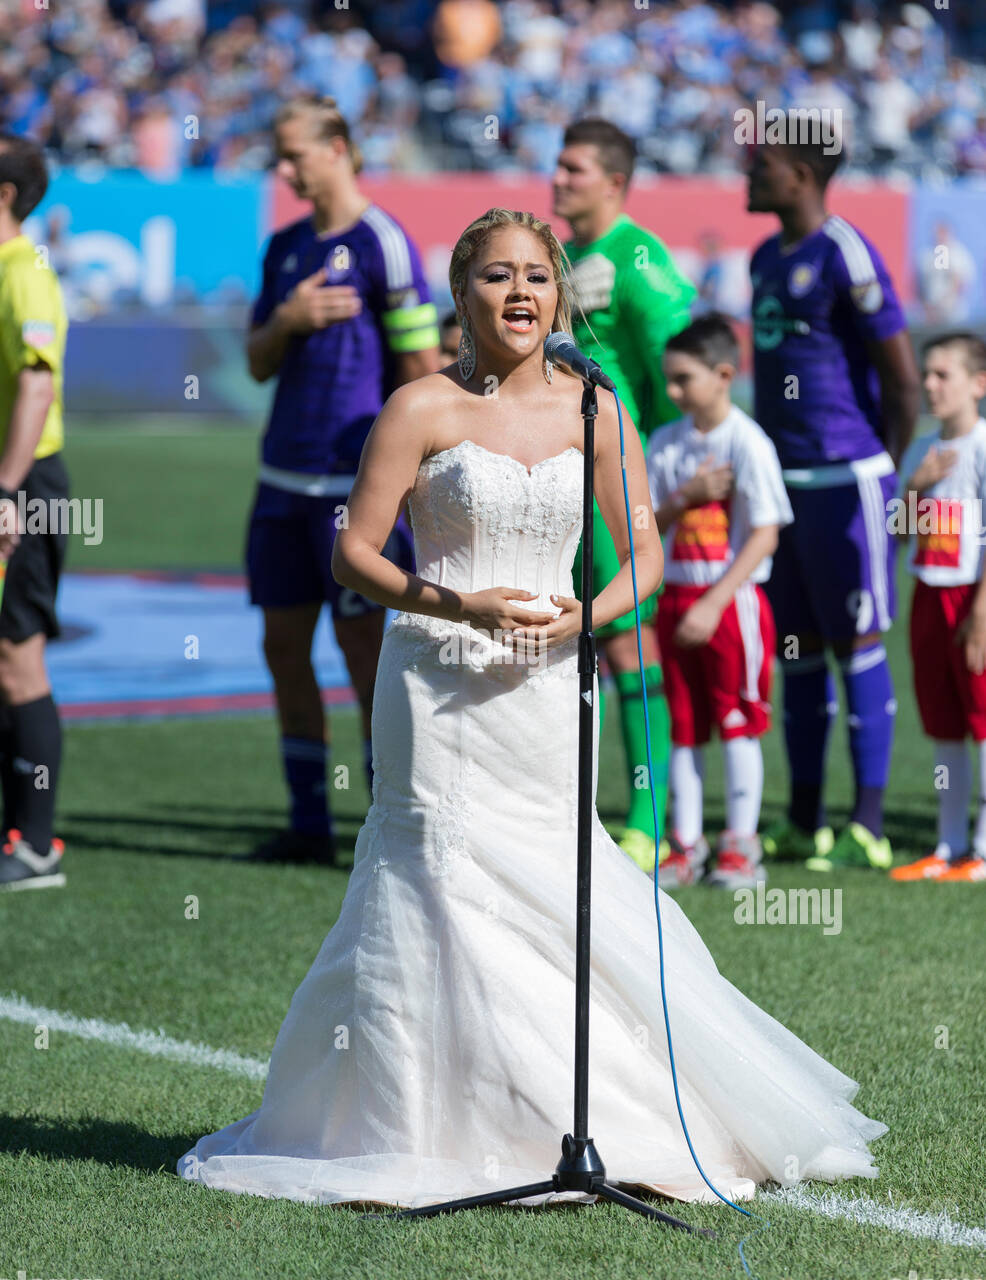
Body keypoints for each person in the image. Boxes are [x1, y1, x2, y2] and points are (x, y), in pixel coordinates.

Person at [177, 209, 886, 1210]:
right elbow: (355, 552)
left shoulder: (593, 409)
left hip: (549, 688)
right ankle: (411, 1125)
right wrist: (450, 601)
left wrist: (580, 622)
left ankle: (574, 1114)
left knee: (555, 885)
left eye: (537, 278)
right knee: (428, 881)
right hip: (432, 685)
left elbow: (639, 545)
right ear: (460, 293)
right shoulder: (417, 406)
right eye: (496, 275)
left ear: (558, 296)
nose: (519, 293)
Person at [245, 97, 439, 865]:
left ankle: (383, 825)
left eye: (294, 154)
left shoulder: (383, 244)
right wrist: (289, 317)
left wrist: (413, 480)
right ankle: (306, 824)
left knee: (367, 652)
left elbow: (420, 368)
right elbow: (259, 360)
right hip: (278, 481)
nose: (284, 170)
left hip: (350, 490)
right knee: (282, 645)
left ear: (337, 148)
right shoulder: (285, 246)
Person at [747, 133, 921, 872]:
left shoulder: (846, 251)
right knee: (800, 654)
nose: (748, 176)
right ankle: (806, 819)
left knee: (858, 645)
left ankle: (871, 825)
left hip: (849, 481)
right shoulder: (763, 257)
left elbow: (903, 379)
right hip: (784, 486)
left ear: (801, 175)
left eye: (762, 167)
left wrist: (887, 473)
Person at [553, 118, 696, 875]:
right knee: (561, 634)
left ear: (614, 180)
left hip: (611, 481)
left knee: (622, 640)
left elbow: (682, 367)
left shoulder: (639, 259)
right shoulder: (568, 256)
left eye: (575, 169)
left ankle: (648, 825)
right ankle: (573, 810)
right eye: (558, 165)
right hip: (554, 479)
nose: (559, 178)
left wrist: (664, 474)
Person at [648, 315, 792, 890]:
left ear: (724, 374)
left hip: (730, 601)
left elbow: (766, 530)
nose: (674, 391)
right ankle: (685, 844)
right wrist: (684, 497)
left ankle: (740, 845)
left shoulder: (747, 440)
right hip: (675, 595)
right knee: (684, 726)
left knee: (737, 721)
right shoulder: (665, 442)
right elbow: (645, 522)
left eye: (684, 379)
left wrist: (714, 601)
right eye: (669, 380)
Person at [889, 334, 986, 882]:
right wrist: (914, 491)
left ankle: (982, 848)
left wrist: (981, 615)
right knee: (944, 724)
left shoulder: (982, 447)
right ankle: (947, 846)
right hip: (928, 597)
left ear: (978, 384)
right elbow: (899, 534)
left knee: (982, 721)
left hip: (973, 599)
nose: (929, 384)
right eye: (926, 374)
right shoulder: (921, 451)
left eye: (942, 375)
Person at [0, 134, 68, 892]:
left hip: (28, 489)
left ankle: (37, 845)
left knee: (18, 659)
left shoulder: (27, 273)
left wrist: (7, 489)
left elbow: (36, 386)